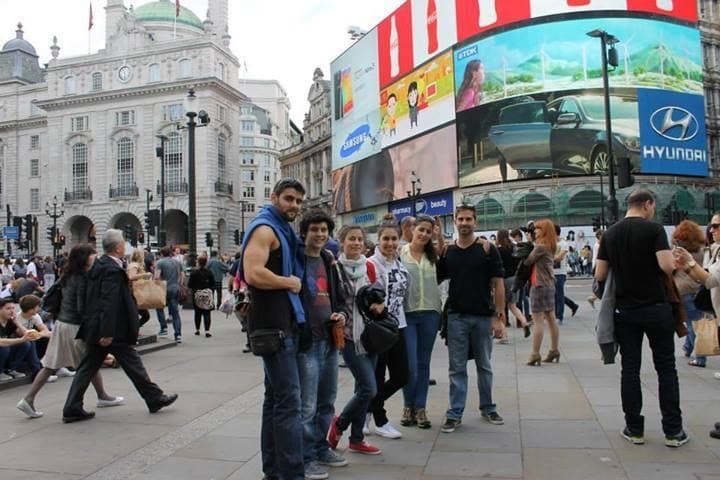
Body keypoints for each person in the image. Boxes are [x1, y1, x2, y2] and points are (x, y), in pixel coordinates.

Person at [595, 188, 688, 448]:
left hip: (625, 312)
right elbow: (667, 266)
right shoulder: (654, 230)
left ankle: (634, 428)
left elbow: (600, 275)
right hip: (657, 308)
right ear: (647, 205)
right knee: (666, 368)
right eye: (653, 207)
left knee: (630, 369)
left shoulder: (610, 233)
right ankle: (673, 431)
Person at [62, 229, 178, 424]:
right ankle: (154, 397)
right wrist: (107, 332)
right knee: (131, 363)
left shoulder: (102, 265)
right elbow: (108, 301)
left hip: (100, 327)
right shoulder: (110, 269)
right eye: (123, 242)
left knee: (89, 367)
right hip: (111, 329)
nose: (124, 245)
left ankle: (72, 407)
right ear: (117, 247)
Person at [242, 178, 306, 480]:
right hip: (275, 327)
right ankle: (292, 473)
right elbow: (253, 273)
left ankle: (273, 470)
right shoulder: (266, 229)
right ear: (274, 197)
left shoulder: (281, 229)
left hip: (281, 324)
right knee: (290, 404)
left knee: (275, 401)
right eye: (289, 199)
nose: (293, 205)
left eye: (297, 201)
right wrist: (288, 282)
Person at [16, 246, 124, 419]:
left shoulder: (67, 275)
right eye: (92, 255)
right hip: (75, 326)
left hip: (61, 323)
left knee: (51, 364)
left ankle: (28, 399)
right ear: (85, 258)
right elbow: (82, 306)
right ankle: (100, 397)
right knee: (89, 362)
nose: (94, 257)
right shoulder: (82, 277)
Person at [437, 204, 506, 433]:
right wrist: (438, 246)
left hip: (483, 317)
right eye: (460, 219)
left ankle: (488, 407)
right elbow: (436, 276)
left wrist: (498, 317)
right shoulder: (448, 252)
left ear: (475, 222)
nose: (464, 223)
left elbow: (498, 282)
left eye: (468, 219)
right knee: (456, 368)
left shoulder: (487, 249)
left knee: (484, 365)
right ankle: (455, 413)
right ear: (455, 222)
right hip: (456, 316)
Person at [297, 210, 350, 479]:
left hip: (330, 339)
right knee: (307, 405)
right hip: (308, 342)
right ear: (304, 232)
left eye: (323, 230)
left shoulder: (329, 260)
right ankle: (305, 459)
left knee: (327, 400)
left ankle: (321, 448)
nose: (319, 234)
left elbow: (339, 297)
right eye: (314, 229)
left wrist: (340, 313)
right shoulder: (296, 260)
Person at [327, 225, 382, 455]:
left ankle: (357, 439)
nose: (357, 243)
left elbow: (378, 292)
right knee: (369, 389)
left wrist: (379, 302)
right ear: (342, 242)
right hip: (349, 336)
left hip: (370, 335)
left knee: (363, 387)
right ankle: (339, 424)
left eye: (360, 239)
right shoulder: (335, 268)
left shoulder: (368, 265)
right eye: (352, 239)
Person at [674, 213, 720, 439]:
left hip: (687, 292)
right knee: (697, 324)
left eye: (716, 226)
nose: (712, 230)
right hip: (704, 297)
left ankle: (698, 355)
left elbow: (710, 280)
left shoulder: (689, 253)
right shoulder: (707, 251)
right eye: (711, 226)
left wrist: (685, 263)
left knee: (694, 325)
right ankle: (691, 351)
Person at [367, 216, 410, 439]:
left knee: (402, 375)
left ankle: (366, 408)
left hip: (398, 325)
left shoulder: (398, 262)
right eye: (386, 239)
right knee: (376, 375)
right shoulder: (371, 264)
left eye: (394, 239)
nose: (390, 243)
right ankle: (380, 419)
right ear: (378, 239)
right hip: (379, 328)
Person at [399, 215, 444, 429]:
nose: (424, 234)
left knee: (423, 363)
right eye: (421, 230)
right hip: (406, 314)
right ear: (412, 229)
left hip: (430, 314)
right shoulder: (400, 253)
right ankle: (408, 405)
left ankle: (420, 408)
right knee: (410, 364)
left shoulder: (434, 256)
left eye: (428, 231)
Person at [670, 220, 708, 367]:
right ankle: (688, 348)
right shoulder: (702, 249)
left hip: (682, 290)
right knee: (695, 321)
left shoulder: (678, 251)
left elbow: (671, 268)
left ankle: (700, 357)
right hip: (698, 289)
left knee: (692, 325)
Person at [524, 219, 560, 365]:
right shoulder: (550, 245)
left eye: (538, 229)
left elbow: (528, 261)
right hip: (549, 284)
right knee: (551, 318)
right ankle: (554, 350)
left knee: (538, 320)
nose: (535, 231)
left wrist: (529, 242)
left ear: (544, 231)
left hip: (538, 285)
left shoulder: (540, 247)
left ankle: (535, 354)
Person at [495, 229, 531, 340]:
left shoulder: (498, 250)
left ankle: (504, 335)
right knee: (512, 305)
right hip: (515, 279)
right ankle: (524, 321)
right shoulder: (514, 249)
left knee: (500, 307)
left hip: (503, 280)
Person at [0, 297, 42, 381]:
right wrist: (22, 339)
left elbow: (27, 334)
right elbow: (1, 342)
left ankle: (11, 369)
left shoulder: (10, 322)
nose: (12, 311)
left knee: (26, 344)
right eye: (8, 308)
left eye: (13, 308)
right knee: (5, 348)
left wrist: (16, 322)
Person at [154, 246, 184, 343]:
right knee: (175, 312)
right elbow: (182, 275)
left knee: (159, 307)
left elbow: (157, 277)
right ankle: (178, 334)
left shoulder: (160, 262)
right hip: (175, 288)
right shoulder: (177, 262)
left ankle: (164, 328)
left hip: (164, 288)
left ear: (162, 254)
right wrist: (179, 284)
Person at [553, 224, 579, 324]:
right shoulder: (550, 243)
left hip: (560, 273)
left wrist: (550, 258)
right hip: (551, 272)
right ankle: (572, 305)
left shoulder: (563, 243)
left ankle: (559, 317)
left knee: (559, 294)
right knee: (554, 295)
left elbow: (559, 257)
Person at [187, 255, 215, 337]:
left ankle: (197, 330)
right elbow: (213, 283)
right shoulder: (209, 272)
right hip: (207, 294)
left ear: (198, 262)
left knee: (197, 312)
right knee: (207, 312)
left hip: (197, 294)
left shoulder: (194, 273)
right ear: (206, 263)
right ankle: (207, 331)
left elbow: (190, 284)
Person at [128, 249, 152, 328]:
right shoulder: (134, 265)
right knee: (144, 315)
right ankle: (134, 330)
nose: (144, 256)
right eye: (143, 255)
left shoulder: (136, 265)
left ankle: (135, 329)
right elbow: (131, 276)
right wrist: (144, 275)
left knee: (143, 315)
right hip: (134, 292)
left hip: (137, 292)